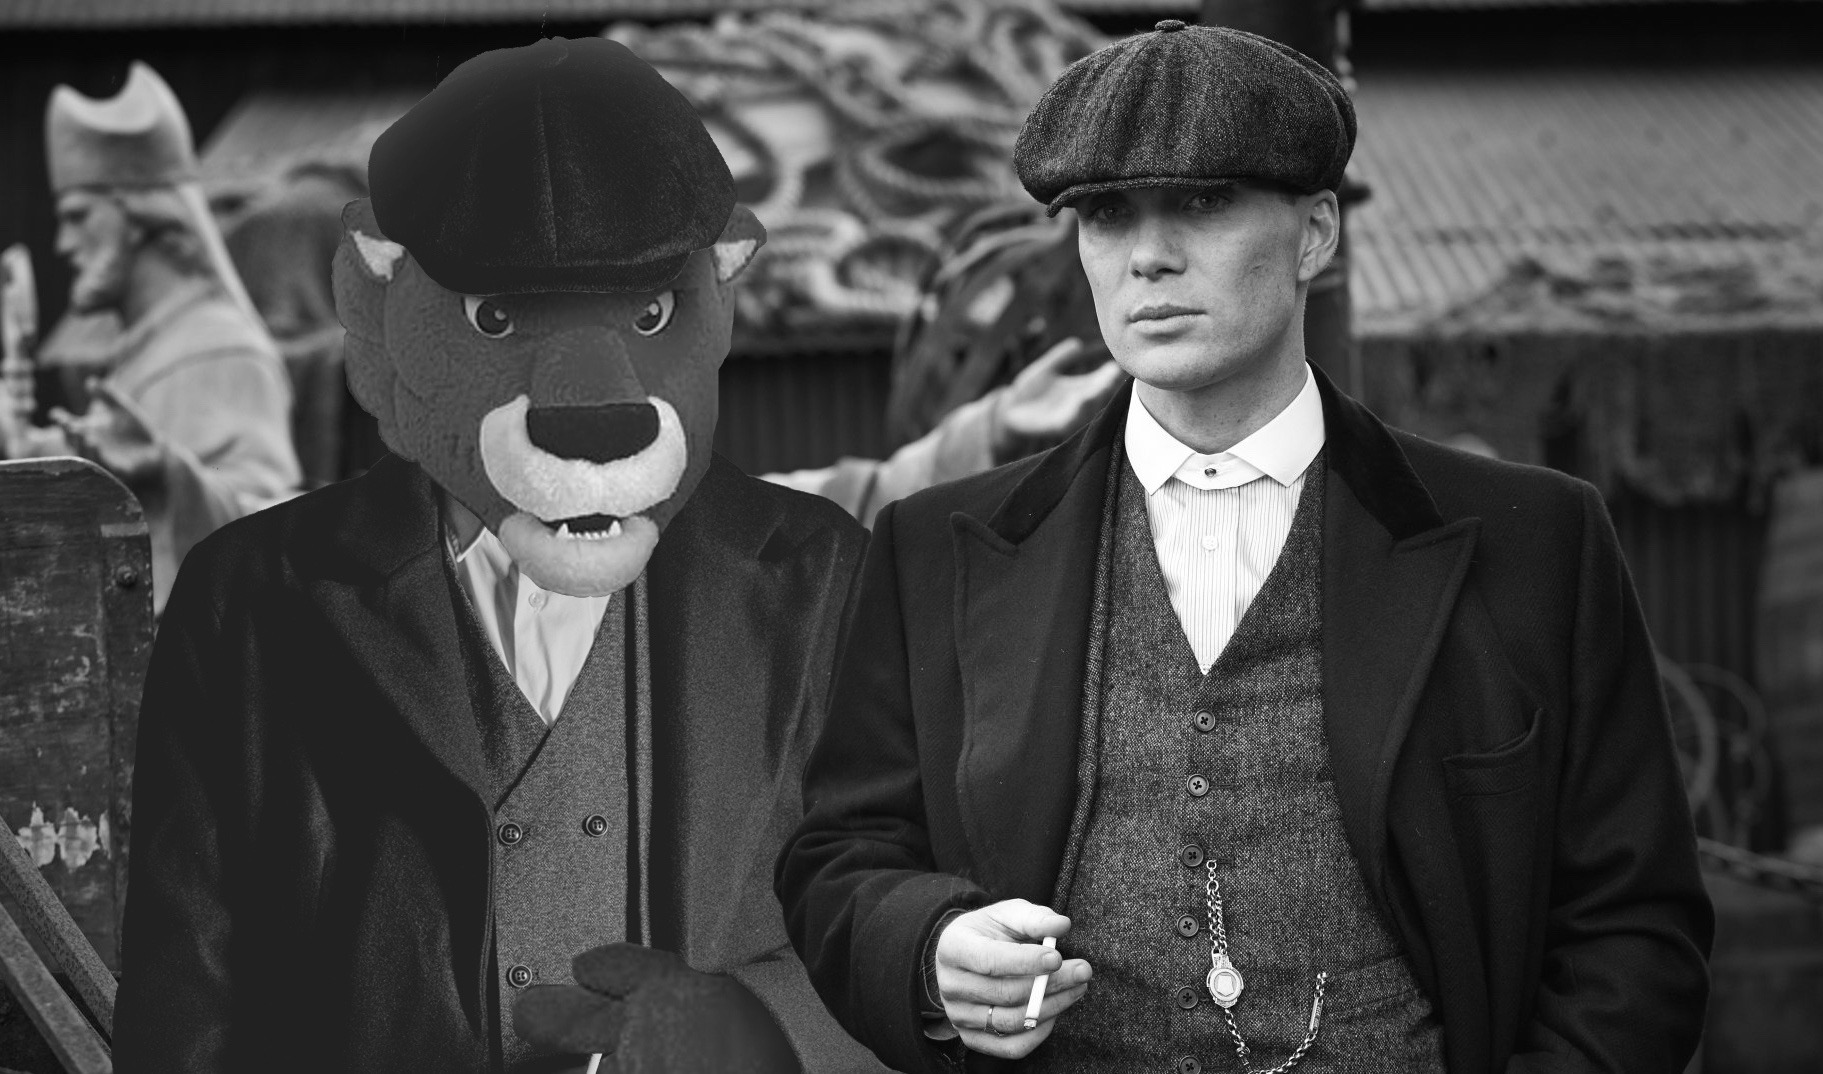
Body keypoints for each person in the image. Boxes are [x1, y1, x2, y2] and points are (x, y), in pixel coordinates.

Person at [777, 20, 1711, 1074]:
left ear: (1315, 235)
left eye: (1203, 203)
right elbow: (838, 857)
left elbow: (1635, 930)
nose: (1147, 255)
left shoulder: (1536, 540)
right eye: (1105, 214)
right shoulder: (935, 546)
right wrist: (927, 951)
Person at [111, 38, 888, 1073]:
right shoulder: (250, 599)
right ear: (379, 293)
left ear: (720, 287)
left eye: (649, 312)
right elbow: (188, 997)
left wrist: (759, 1036)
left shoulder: (822, 578)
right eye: (495, 316)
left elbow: (890, 937)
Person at [6, 62, 300, 616]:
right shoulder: (142, 354)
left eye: (78, 216)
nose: (64, 243)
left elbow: (270, 532)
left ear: (137, 214)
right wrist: (29, 451)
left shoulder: (220, 349)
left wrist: (164, 470)